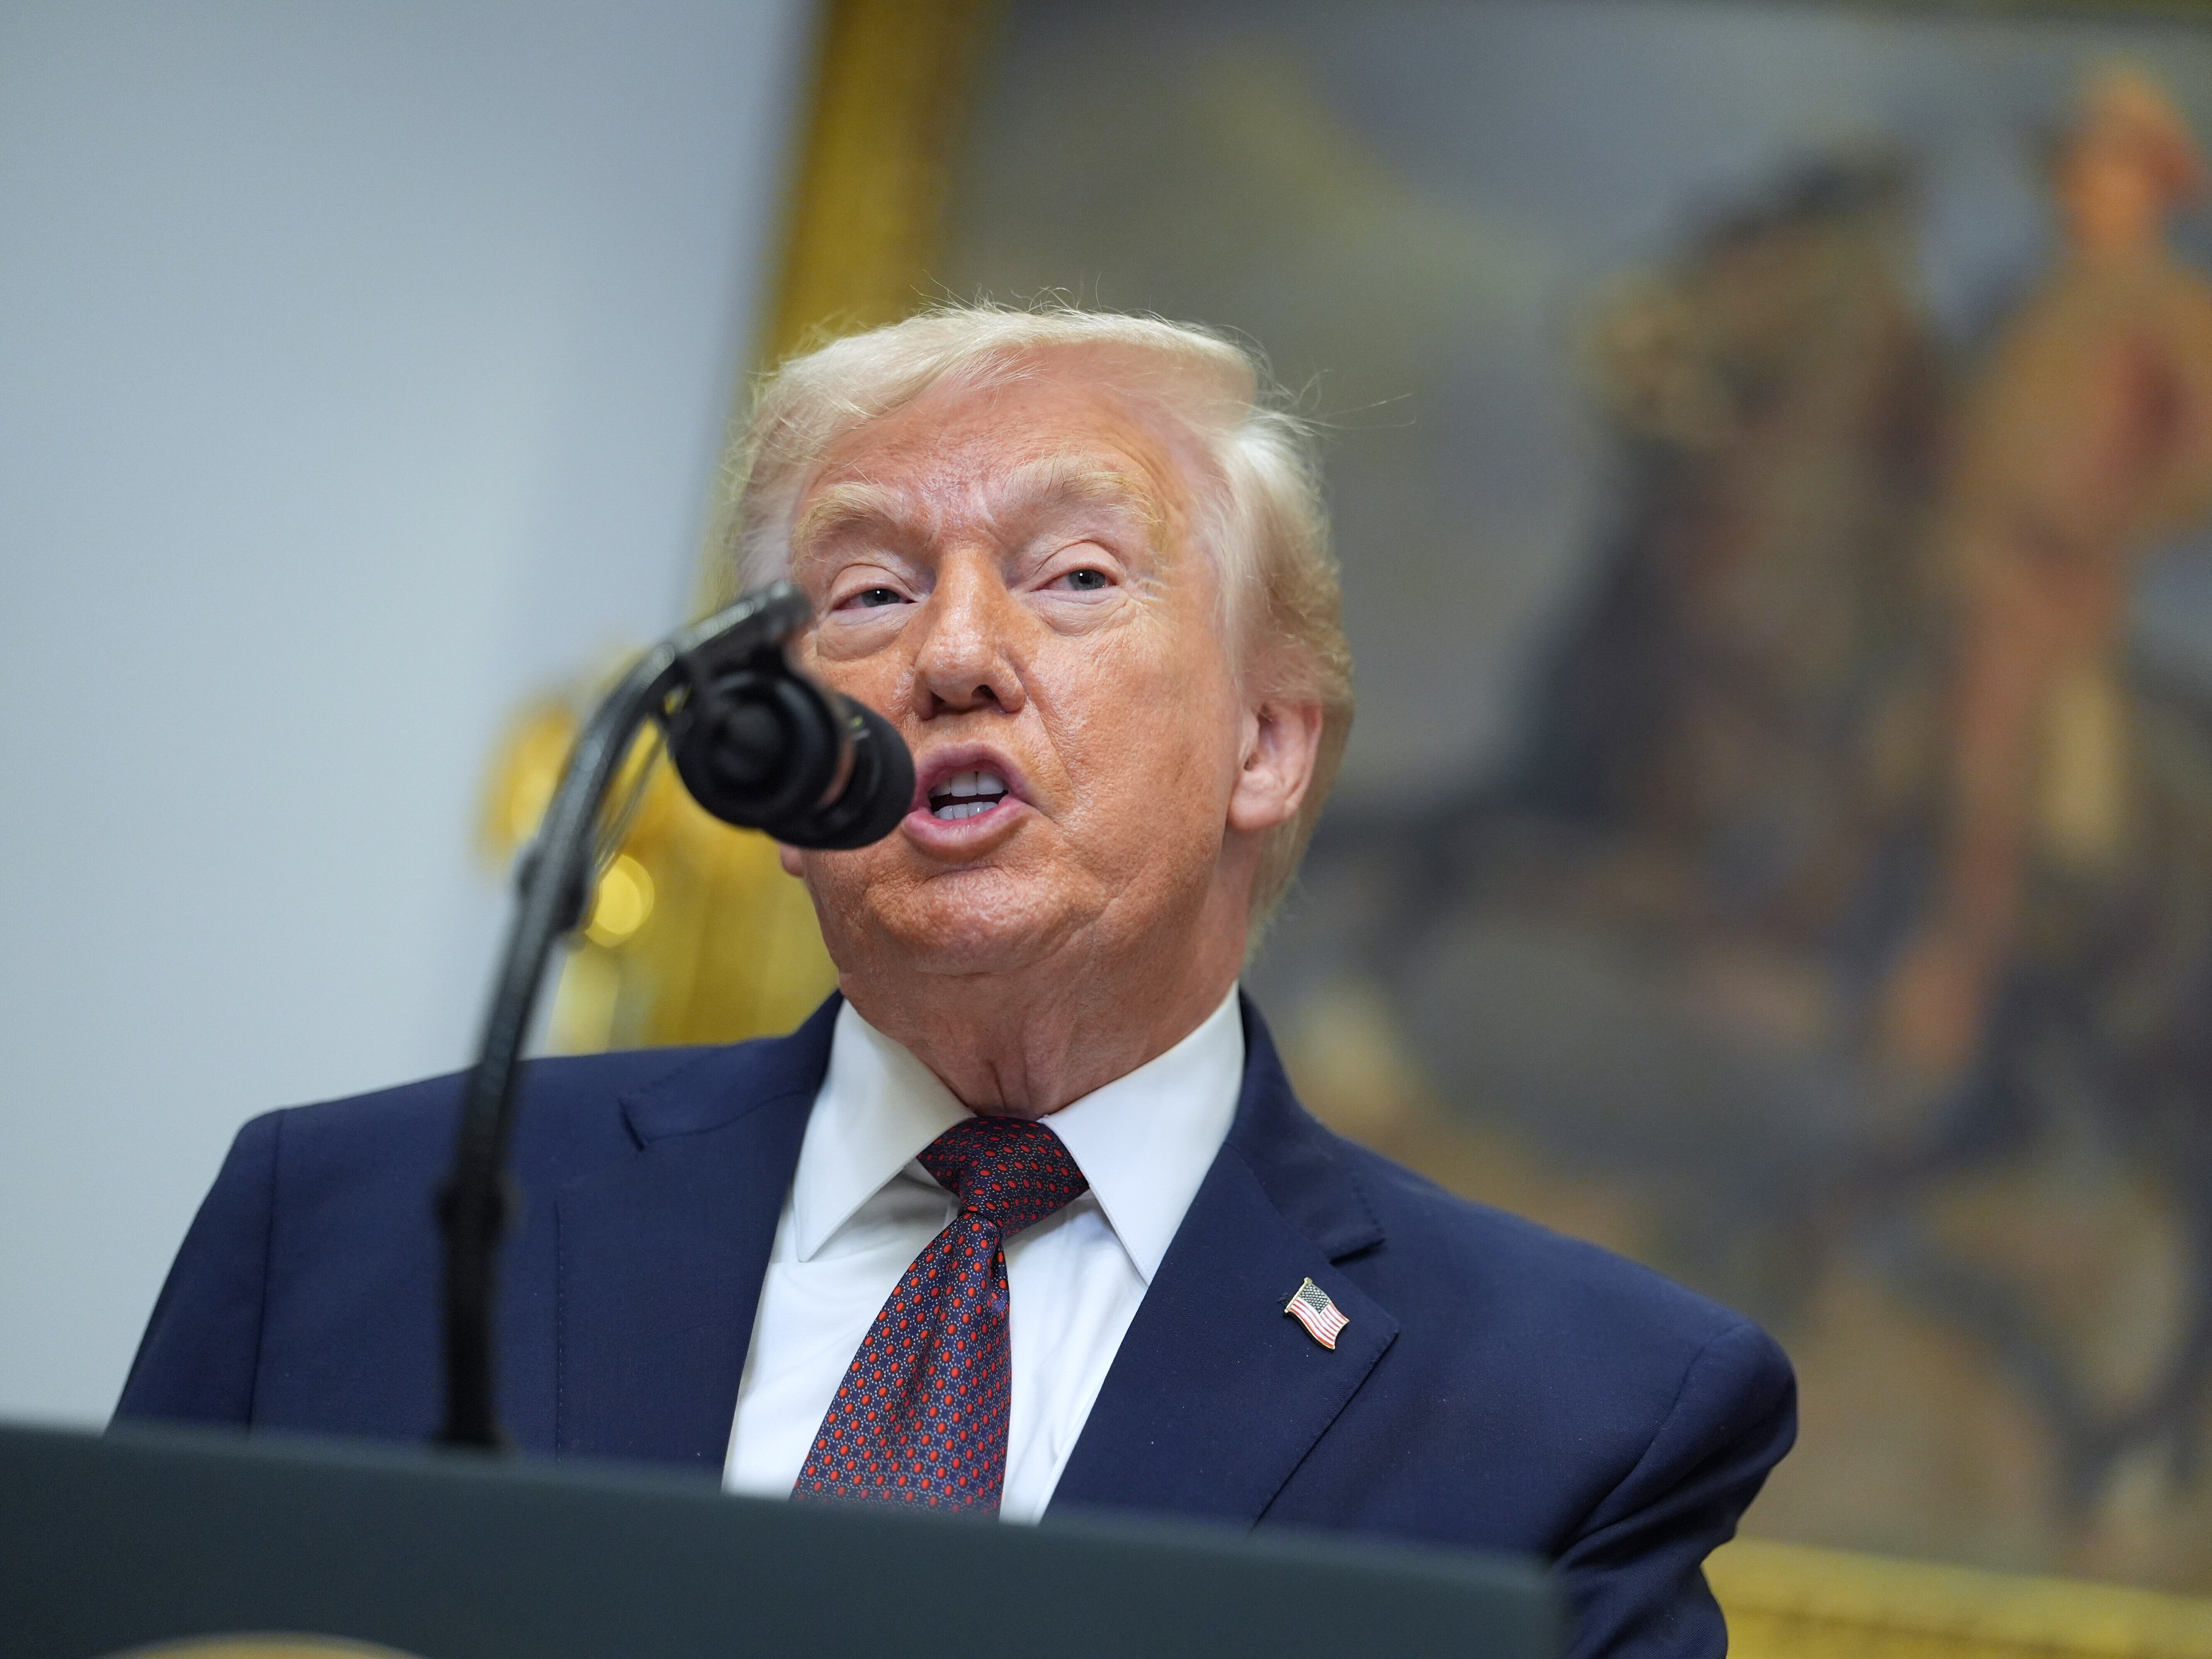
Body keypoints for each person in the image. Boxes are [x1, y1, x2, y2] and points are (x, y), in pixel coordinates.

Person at [117, 305, 1795, 1659]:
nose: (953, 651)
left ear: (1266, 745)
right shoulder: (342, 1230)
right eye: (868, 591)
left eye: (1074, 575)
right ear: (776, 772)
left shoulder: (1580, 1410)